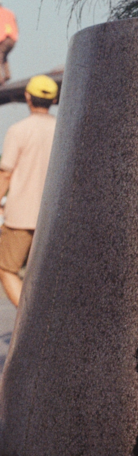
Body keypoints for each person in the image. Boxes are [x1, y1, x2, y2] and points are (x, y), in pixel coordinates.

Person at [0, 75, 58, 306]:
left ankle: (28, 323)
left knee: (6, 269)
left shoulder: (18, 130)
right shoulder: (63, 128)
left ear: (27, 97)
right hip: (53, 217)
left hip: (20, 216)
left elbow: (5, 172)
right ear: (54, 100)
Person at [0, 1, 19, 85]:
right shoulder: (9, 12)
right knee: (3, 56)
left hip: (4, 38)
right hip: (12, 39)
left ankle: (1, 78)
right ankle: (7, 75)